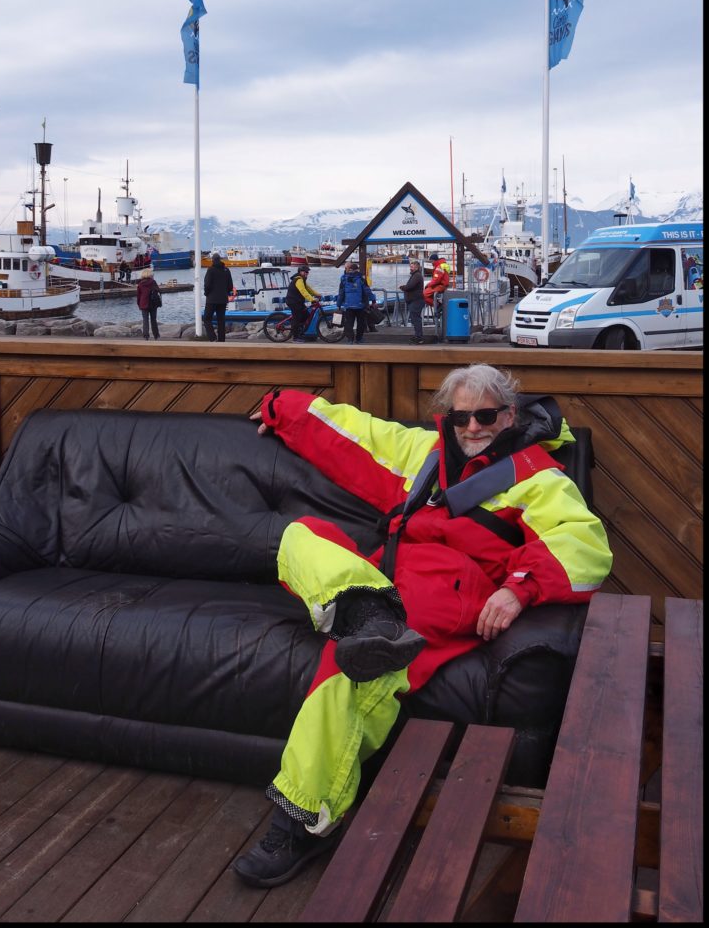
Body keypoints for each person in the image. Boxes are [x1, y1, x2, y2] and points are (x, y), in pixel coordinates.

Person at [233, 363, 613, 888]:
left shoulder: (539, 476)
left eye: (486, 415)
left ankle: (303, 818)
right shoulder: (424, 454)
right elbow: (353, 434)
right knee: (301, 535)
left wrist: (518, 586)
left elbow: (582, 542)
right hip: (387, 580)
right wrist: (282, 408)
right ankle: (366, 613)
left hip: (449, 590)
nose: (474, 428)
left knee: (351, 671)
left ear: (509, 414)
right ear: (448, 418)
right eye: (462, 417)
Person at [337, 260, 376, 344]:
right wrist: (373, 300)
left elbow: (341, 293)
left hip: (348, 305)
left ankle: (350, 340)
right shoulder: (361, 279)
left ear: (349, 269)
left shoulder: (344, 279)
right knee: (360, 323)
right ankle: (359, 339)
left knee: (349, 323)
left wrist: (339, 304)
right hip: (360, 305)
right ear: (357, 270)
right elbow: (367, 291)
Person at [203, 252, 234, 342]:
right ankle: (221, 340)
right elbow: (230, 286)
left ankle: (213, 338)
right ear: (220, 260)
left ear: (213, 260)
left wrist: (206, 293)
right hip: (223, 299)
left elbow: (207, 285)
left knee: (207, 318)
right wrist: (225, 293)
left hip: (211, 299)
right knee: (221, 320)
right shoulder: (226, 270)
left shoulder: (211, 270)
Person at [285, 264, 321, 342]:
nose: (307, 273)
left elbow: (309, 289)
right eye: (305, 272)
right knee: (297, 318)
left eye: (307, 272)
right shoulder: (298, 280)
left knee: (306, 316)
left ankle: (300, 333)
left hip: (298, 302)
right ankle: (295, 337)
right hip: (293, 301)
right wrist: (312, 300)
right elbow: (303, 291)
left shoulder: (302, 280)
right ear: (300, 272)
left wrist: (318, 294)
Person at [399, 258, 425, 343]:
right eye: (411, 266)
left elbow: (410, 286)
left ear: (417, 268)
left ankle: (419, 337)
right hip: (414, 300)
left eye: (412, 267)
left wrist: (403, 287)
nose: (411, 268)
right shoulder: (415, 275)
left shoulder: (417, 275)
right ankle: (418, 335)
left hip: (416, 301)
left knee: (416, 319)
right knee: (415, 319)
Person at [136, 268, 161, 340]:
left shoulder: (140, 284)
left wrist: (139, 304)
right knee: (153, 319)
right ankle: (156, 335)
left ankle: (146, 336)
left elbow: (138, 296)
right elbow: (158, 290)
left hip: (143, 304)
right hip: (153, 303)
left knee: (145, 320)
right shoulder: (153, 282)